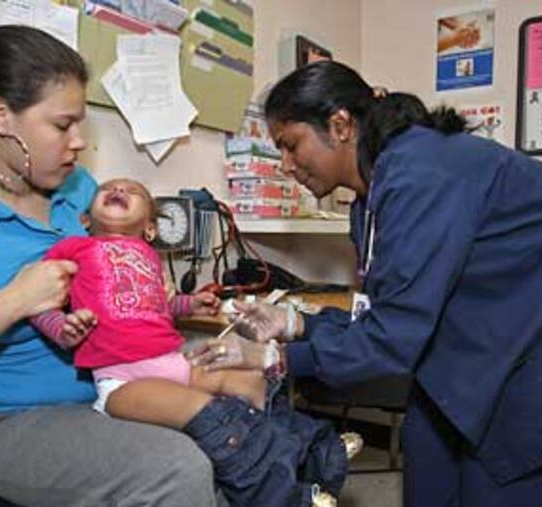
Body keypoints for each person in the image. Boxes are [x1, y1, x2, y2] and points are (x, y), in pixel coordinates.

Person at [189, 60, 542, 507]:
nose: (287, 165)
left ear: (339, 125)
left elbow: (394, 338)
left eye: (291, 145)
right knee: (428, 450)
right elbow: (384, 310)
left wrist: (274, 358)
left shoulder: (422, 171)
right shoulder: (368, 200)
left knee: (510, 469)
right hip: (505, 322)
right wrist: (295, 324)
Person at [0, 25, 226, 507]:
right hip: (24, 421)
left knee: (236, 431)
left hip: (126, 386)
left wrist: (176, 349)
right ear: (0, 116)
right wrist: (11, 302)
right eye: (62, 125)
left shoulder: (79, 193)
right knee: (177, 469)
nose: (79, 143)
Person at [30, 177, 360, 507]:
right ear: (86, 220)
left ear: (149, 229)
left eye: (133, 191)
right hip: (123, 380)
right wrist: (61, 328)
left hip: (172, 361)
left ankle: (320, 453)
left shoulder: (147, 256)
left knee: (254, 383)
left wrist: (189, 304)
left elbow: (156, 305)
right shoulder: (75, 248)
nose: (119, 190)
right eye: (108, 189)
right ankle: (288, 499)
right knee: (212, 416)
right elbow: (36, 301)